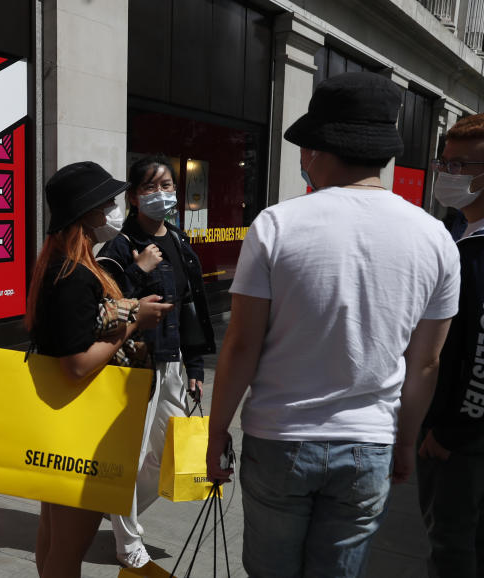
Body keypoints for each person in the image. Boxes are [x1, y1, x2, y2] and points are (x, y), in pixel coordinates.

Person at [205, 71, 460, 577]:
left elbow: (240, 347)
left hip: (279, 437)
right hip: (369, 443)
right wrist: (406, 440)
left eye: (304, 147)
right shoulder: (435, 239)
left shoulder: (276, 225)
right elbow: (425, 362)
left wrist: (215, 435)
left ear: (320, 149)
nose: (302, 158)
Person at [26, 161, 171, 578]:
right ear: (85, 210)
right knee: (69, 547)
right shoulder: (73, 274)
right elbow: (76, 364)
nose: (111, 205)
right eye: (104, 199)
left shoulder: (60, 265)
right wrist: (132, 322)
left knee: (54, 535)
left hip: (61, 421)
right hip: (82, 427)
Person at [97, 154, 216, 568]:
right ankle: (127, 540)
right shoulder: (119, 247)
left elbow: (189, 308)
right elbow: (105, 309)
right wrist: (139, 270)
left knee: (162, 453)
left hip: (174, 361)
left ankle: (115, 507)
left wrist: (196, 366)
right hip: (134, 366)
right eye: (151, 187)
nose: (162, 195)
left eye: (167, 186)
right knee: (132, 455)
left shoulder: (180, 242)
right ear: (133, 196)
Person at [418, 112, 484, 577]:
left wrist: (451, 432)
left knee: (455, 546)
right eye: (446, 163)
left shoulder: (477, 252)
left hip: (462, 441)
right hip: (454, 432)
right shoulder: (461, 236)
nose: (448, 174)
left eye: (461, 166)